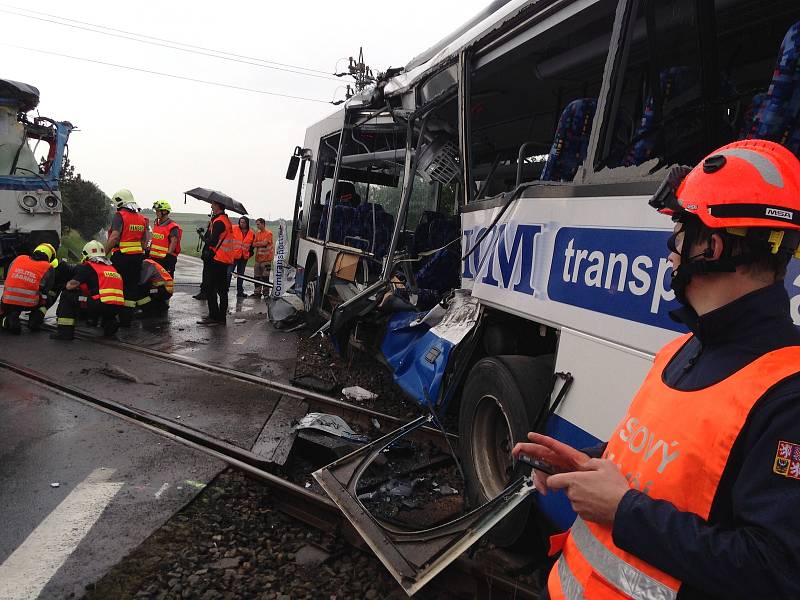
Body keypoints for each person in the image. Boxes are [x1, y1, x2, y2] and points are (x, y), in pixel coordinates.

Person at [513, 139, 800, 599]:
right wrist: (589, 462)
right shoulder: (682, 350)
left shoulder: (787, 395)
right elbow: (669, 467)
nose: (671, 250)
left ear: (713, 247)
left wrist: (623, 511)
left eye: (681, 231)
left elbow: (777, 572)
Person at [51, 240, 124, 340]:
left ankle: (64, 332)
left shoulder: (88, 267)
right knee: (99, 301)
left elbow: (71, 286)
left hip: (99, 305)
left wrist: (64, 285)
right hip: (117, 307)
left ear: (86, 254)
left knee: (67, 295)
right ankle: (110, 324)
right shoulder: (112, 268)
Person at [106, 189, 148, 325]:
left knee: (116, 286)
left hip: (121, 257)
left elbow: (114, 237)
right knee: (131, 287)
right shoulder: (142, 218)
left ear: (120, 201)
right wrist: (139, 251)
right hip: (137, 258)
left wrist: (103, 253)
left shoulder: (120, 216)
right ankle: (126, 319)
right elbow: (145, 240)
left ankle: (111, 317)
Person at [0, 244, 55, 334]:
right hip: (30, 303)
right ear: (50, 256)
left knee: (10, 307)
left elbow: (8, 276)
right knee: (47, 298)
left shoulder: (19, 258)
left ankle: (6, 320)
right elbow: (46, 288)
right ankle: (34, 323)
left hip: (7, 300)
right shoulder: (48, 267)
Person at [198, 201, 236, 325]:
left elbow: (213, 242)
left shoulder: (219, 221)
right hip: (224, 259)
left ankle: (214, 316)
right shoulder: (225, 220)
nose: (211, 206)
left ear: (218, 206)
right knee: (222, 290)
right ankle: (221, 318)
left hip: (217, 259)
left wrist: (205, 238)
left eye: (213, 205)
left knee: (211, 288)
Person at [149, 200, 182, 277]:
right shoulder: (156, 223)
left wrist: (168, 256)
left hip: (166, 259)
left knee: (165, 284)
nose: (156, 213)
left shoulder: (172, 226)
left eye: (158, 211)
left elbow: (174, 241)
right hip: (155, 258)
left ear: (164, 212)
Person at [229, 216, 254, 298]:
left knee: (241, 275)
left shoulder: (251, 233)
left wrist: (250, 254)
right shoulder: (234, 228)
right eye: (240, 222)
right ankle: (225, 290)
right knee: (228, 273)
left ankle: (240, 292)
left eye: (243, 222)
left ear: (247, 223)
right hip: (234, 256)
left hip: (244, 257)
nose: (242, 224)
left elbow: (252, 246)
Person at [251, 218, 274, 297]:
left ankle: (266, 293)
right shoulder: (258, 233)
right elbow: (253, 244)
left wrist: (258, 243)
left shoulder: (269, 233)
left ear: (263, 224)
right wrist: (259, 243)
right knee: (256, 277)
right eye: (256, 224)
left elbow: (265, 243)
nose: (257, 226)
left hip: (266, 260)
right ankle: (257, 292)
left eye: (258, 224)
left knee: (265, 277)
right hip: (258, 260)